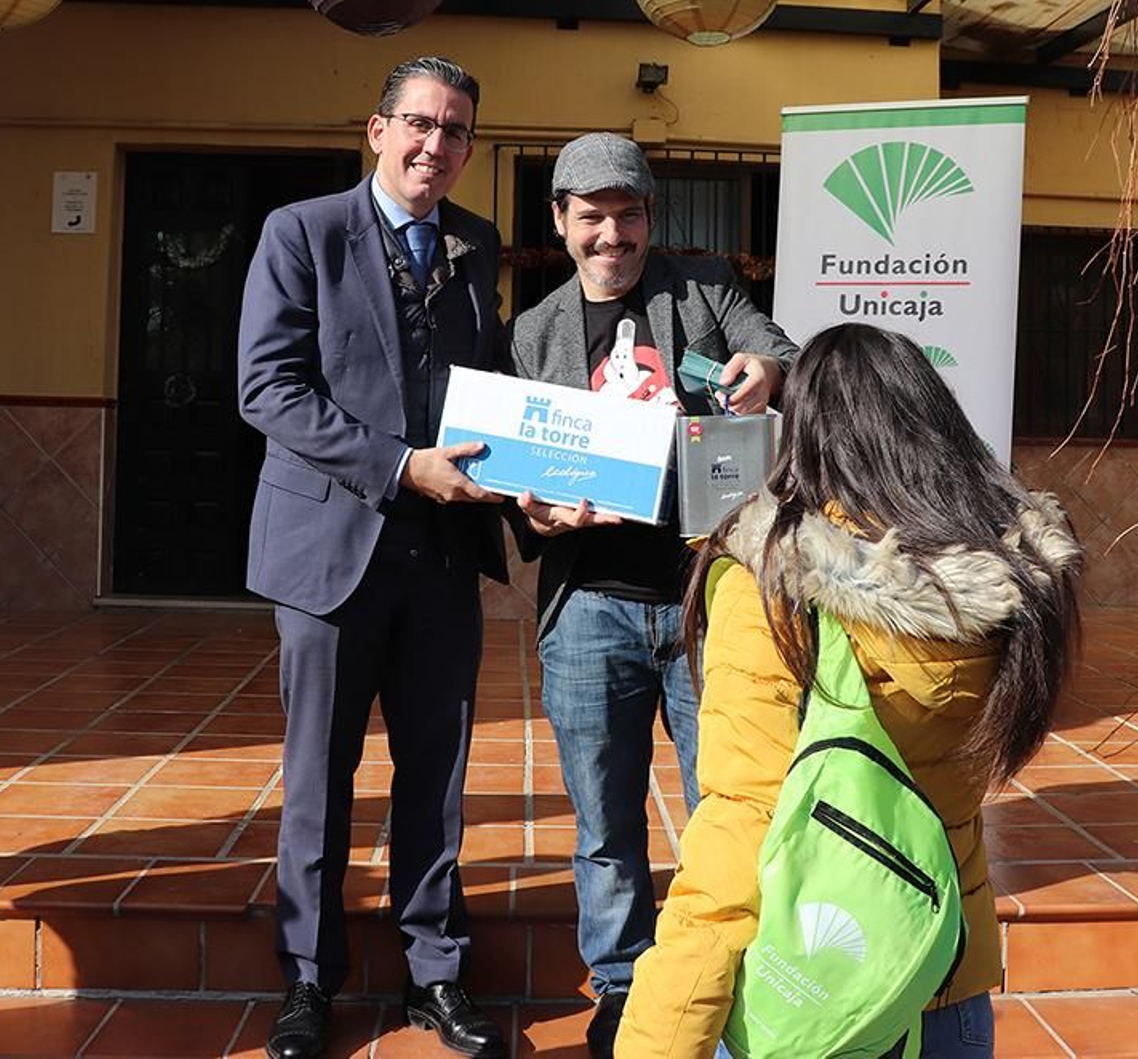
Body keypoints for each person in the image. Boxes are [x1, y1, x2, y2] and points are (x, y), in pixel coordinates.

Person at [617, 323, 1083, 1058]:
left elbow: (741, 829)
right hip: (944, 980)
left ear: (805, 436)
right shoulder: (1011, 586)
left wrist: (656, 1041)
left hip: (813, 991)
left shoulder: (775, 585)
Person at [237, 56, 510, 1059]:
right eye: (419, 125)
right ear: (377, 129)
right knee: (320, 773)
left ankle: (433, 975)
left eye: (455, 132)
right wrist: (402, 467)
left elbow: (496, 383)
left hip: (441, 555)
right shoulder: (300, 233)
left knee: (435, 774)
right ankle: (309, 982)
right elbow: (267, 390)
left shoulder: (476, 245)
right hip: (329, 552)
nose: (435, 145)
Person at [507, 133, 798, 1058]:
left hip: (709, 599)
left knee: (734, 799)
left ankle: (732, 976)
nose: (612, 234)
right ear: (560, 222)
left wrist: (768, 372)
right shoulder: (533, 330)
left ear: (649, 217)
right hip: (588, 604)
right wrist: (539, 517)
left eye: (627, 214)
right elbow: (521, 475)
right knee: (604, 821)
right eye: (591, 216)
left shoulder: (702, 286)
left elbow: (774, 345)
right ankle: (625, 988)